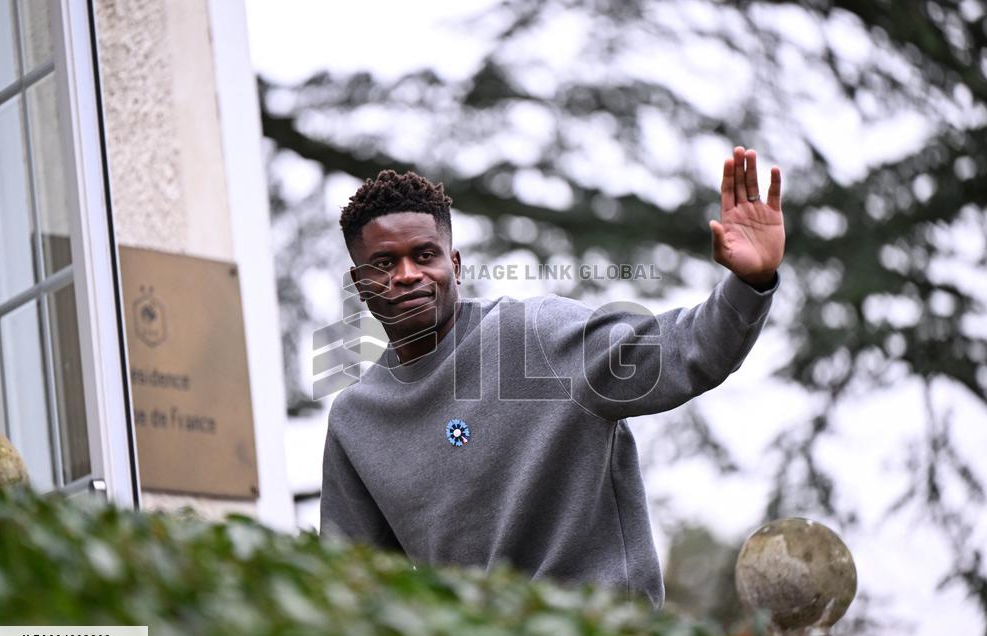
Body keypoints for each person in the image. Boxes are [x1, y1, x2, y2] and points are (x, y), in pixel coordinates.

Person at [320, 146, 784, 609]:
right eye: (384, 264)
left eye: (424, 255)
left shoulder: (537, 336)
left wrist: (748, 285)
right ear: (360, 284)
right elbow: (356, 588)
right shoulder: (355, 420)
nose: (407, 275)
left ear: (455, 265)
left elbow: (686, 351)